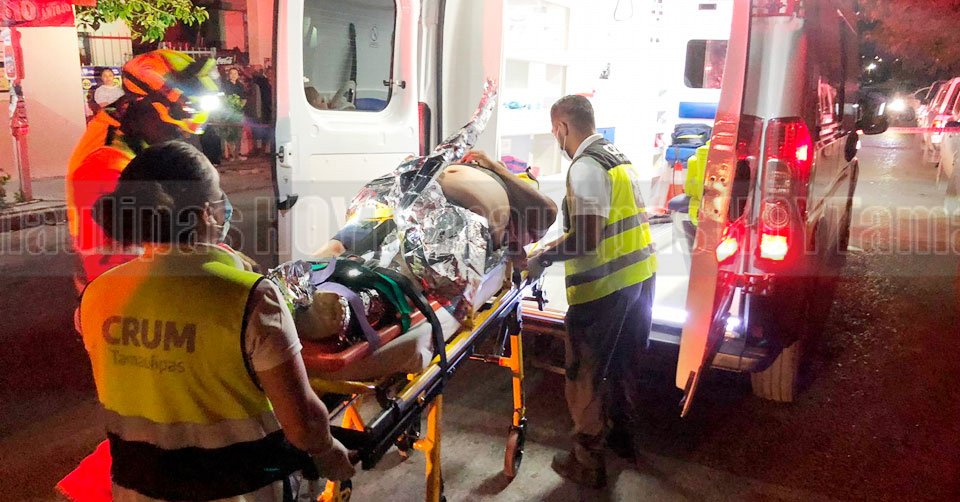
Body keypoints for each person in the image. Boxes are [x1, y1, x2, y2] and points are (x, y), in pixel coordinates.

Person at [79, 141, 354, 500]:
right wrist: (329, 451)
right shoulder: (251, 297)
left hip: (137, 493)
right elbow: (303, 425)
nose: (226, 207)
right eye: (219, 195)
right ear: (203, 214)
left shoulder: (97, 294)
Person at [526, 95, 657, 488]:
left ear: (563, 127)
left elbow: (585, 237)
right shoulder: (616, 157)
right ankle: (623, 441)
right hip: (638, 278)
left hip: (603, 289)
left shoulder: (584, 167)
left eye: (555, 132)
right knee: (622, 365)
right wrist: (550, 247)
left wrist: (543, 258)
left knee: (584, 375)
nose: (557, 140)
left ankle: (587, 463)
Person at [66, 49, 220, 289]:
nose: (182, 136)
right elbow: (114, 262)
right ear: (138, 105)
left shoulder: (131, 132)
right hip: (122, 291)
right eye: (174, 129)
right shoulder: (104, 166)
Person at [315, 150, 558, 262]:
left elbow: (549, 211)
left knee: (350, 245)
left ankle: (314, 275)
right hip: (409, 193)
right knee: (353, 247)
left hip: (434, 202)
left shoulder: (520, 200)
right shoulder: (505, 193)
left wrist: (495, 167)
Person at [220, 67, 247, 162]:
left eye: (235, 73)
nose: (233, 75)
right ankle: (231, 154)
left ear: (238, 75)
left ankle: (238, 153)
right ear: (229, 75)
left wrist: (239, 107)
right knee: (230, 133)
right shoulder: (225, 85)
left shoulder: (241, 86)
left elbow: (244, 99)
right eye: (231, 73)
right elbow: (222, 98)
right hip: (228, 113)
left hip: (238, 113)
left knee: (239, 133)